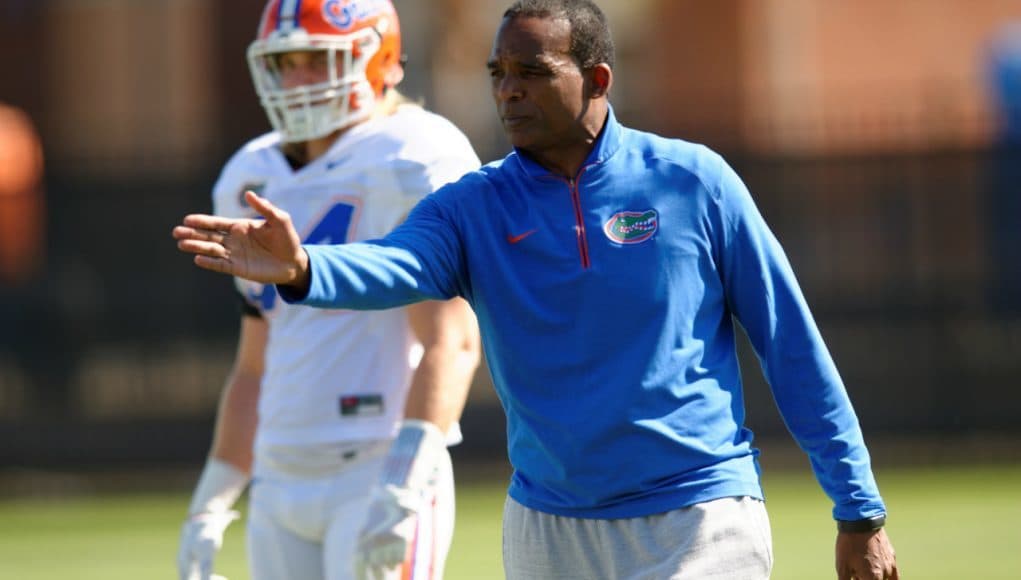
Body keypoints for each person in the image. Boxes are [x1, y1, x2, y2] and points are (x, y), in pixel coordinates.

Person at [174, 0, 900, 578]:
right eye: (497, 73)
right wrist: (304, 270)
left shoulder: (693, 181)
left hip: (698, 512)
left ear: (597, 78)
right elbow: (394, 265)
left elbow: (791, 347)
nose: (507, 90)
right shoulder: (474, 204)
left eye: (531, 70)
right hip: (547, 528)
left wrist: (857, 511)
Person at [174, 2, 482, 579]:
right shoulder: (249, 174)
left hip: (376, 463)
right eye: (285, 63)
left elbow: (452, 342)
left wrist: (404, 483)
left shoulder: (414, 155)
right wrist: (211, 502)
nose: (296, 81)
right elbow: (254, 365)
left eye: (318, 60)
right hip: (279, 470)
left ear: (380, 58)